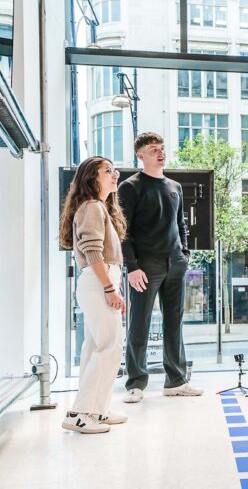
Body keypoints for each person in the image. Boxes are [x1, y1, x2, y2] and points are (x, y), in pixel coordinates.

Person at [120, 132, 204, 402]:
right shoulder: (130, 187)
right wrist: (132, 266)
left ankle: (176, 380)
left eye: (162, 148)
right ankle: (135, 383)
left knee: (174, 323)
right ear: (141, 155)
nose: (160, 152)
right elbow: (124, 231)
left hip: (175, 263)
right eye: (154, 149)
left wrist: (185, 253)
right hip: (145, 266)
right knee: (139, 323)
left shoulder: (174, 187)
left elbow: (181, 225)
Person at [58, 156, 129, 434]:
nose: (115, 174)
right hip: (100, 280)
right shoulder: (91, 207)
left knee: (95, 347)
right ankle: (80, 413)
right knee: (109, 347)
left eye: (115, 170)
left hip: (99, 280)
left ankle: (96, 410)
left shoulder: (97, 207)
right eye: (108, 171)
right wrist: (110, 288)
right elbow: (92, 251)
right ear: (92, 177)